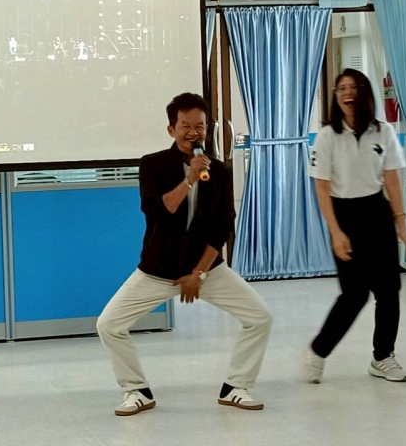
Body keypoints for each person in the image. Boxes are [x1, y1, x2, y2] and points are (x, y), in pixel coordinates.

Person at [96, 93, 273, 417]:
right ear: (171, 129)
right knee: (108, 324)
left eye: (200, 126)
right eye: (185, 126)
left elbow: (223, 227)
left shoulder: (219, 171)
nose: (193, 133)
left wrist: (199, 274)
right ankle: (137, 390)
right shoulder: (152, 165)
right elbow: (157, 212)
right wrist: (189, 179)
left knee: (260, 318)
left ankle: (235, 386)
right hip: (158, 269)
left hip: (206, 270)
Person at [302, 68, 406, 384]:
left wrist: (401, 224)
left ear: (364, 92)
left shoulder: (383, 132)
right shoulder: (327, 136)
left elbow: (392, 179)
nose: (347, 93)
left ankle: (383, 357)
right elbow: (322, 187)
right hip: (344, 215)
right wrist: (336, 232)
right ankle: (317, 351)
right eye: (341, 89)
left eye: (353, 87)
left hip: (376, 211)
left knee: (389, 291)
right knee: (354, 294)